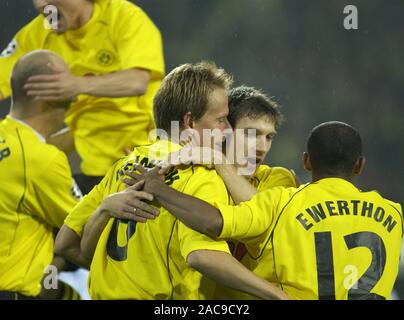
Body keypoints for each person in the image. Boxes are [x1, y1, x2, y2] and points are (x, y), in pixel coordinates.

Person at [55, 62, 288, 300]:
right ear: (189, 121)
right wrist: (278, 296)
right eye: (221, 119)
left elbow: (65, 244)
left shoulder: (125, 166)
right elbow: (203, 255)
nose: (227, 129)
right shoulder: (199, 175)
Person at [130, 121, 403, 300]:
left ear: (306, 162)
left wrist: (159, 188)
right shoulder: (395, 214)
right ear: (359, 165)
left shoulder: (281, 202)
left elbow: (213, 222)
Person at [0, 0, 165, 194]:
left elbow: (137, 82)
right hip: (95, 172)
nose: (40, 3)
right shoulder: (38, 32)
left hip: (148, 162)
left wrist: (75, 85)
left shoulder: (124, 17)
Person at [0, 50, 82, 300]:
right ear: (43, 94)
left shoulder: (12, 143)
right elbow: (87, 235)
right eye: (64, 83)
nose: (75, 94)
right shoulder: (41, 159)